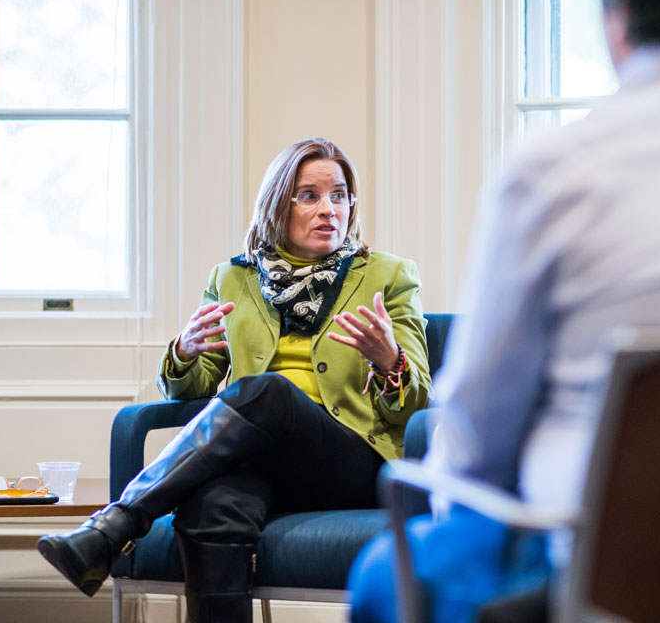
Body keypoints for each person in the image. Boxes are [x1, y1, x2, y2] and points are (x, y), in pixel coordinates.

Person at [348, 0, 660, 621]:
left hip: (596, 580)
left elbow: (475, 447)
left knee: (386, 573)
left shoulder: (555, 175)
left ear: (616, 10)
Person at [38, 137, 431, 621]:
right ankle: (114, 528)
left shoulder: (388, 276)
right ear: (276, 206)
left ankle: (114, 525)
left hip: (348, 460)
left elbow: (416, 405)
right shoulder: (231, 279)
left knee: (268, 393)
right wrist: (184, 352)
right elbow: (196, 388)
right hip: (257, 463)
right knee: (210, 508)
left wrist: (389, 360)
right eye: (308, 195)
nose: (329, 208)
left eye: (340, 194)